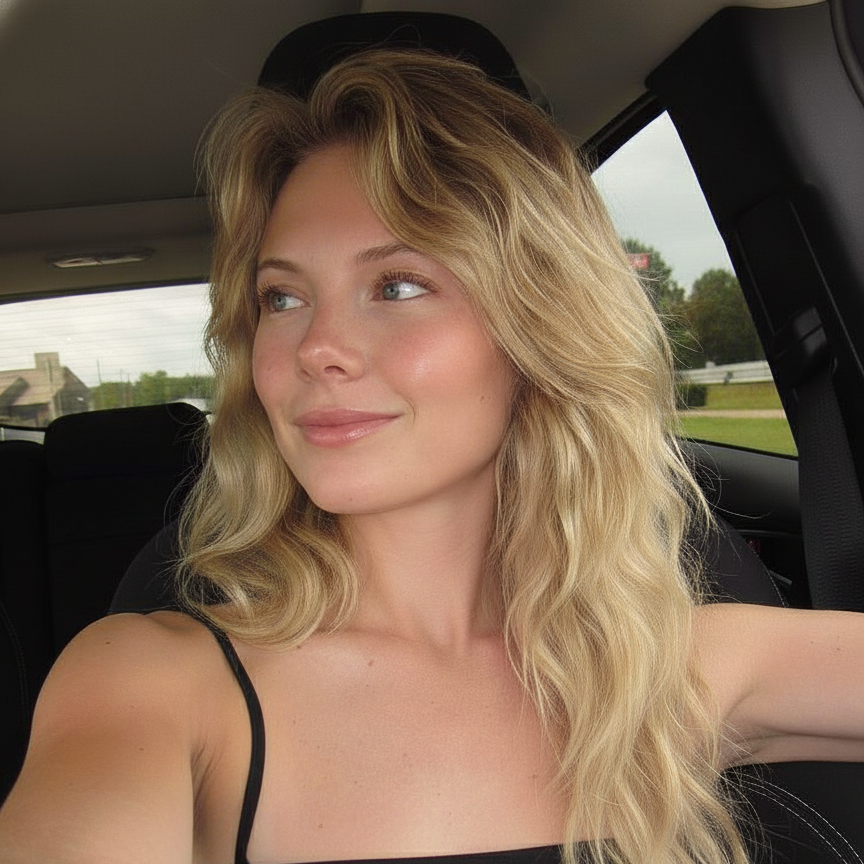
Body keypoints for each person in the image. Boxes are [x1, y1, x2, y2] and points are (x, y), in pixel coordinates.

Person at [1, 46, 864, 864]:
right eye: (283, 297)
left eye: (398, 284)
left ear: (538, 331)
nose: (316, 348)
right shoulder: (151, 682)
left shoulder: (655, 667)